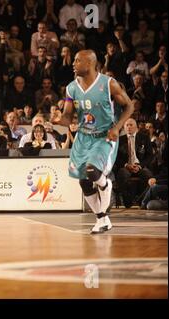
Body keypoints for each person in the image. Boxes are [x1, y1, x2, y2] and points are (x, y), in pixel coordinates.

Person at [58, 50, 134, 234]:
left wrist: (117, 128)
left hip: (104, 136)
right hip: (83, 137)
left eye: (77, 61)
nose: (73, 64)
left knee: (93, 170)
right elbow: (67, 117)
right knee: (83, 182)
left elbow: (129, 106)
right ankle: (102, 219)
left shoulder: (109, 84)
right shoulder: (71, 88)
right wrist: (57, 120)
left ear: (89, 63)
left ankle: (106, 185)